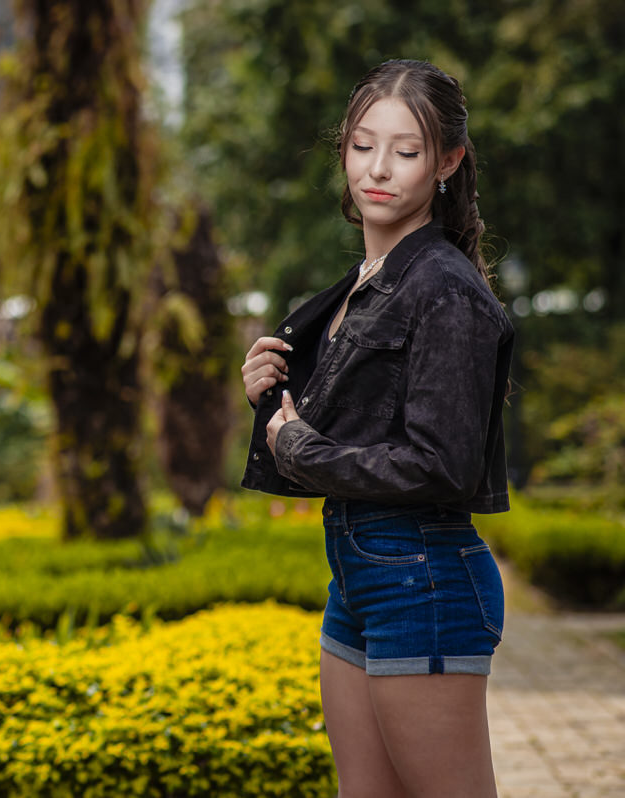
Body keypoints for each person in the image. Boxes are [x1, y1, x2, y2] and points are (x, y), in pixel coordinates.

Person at [240, 59, 514, 797]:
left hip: (422, 578)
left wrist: (304, 449)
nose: (379, 170)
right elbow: (358, 418)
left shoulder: (446, 291)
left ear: (448, 162)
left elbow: (442, 464)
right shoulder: (366, 283)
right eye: (363, 146)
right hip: (360, 576)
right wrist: (271, 392)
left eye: (408, 150)